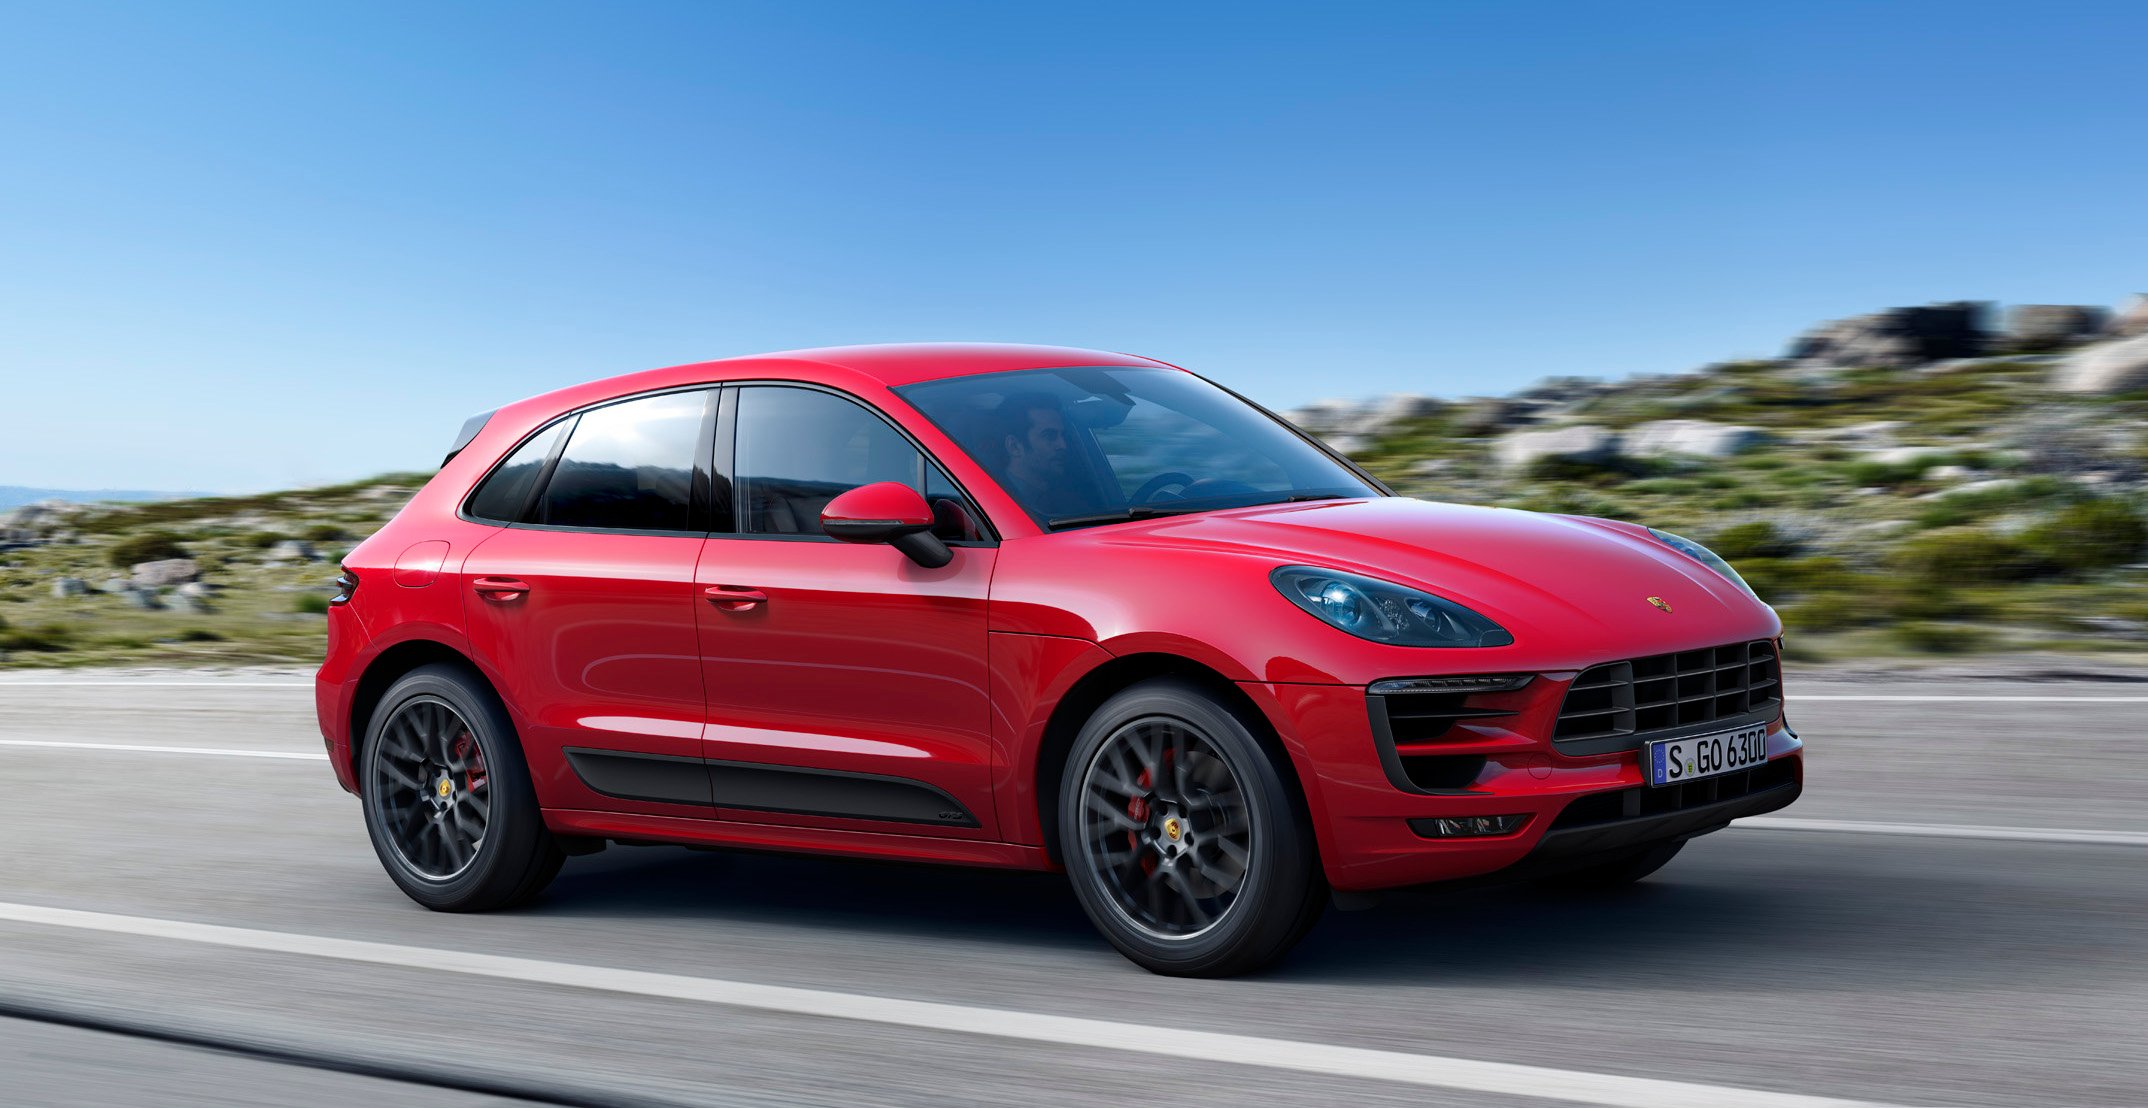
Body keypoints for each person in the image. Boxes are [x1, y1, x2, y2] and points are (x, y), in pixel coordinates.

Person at [992, 391, 1084, 517]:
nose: (1063, 445)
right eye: (1049, 436)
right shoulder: (994, 505)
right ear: (1014, 446)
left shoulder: (1070, 496)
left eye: (1063, 435)